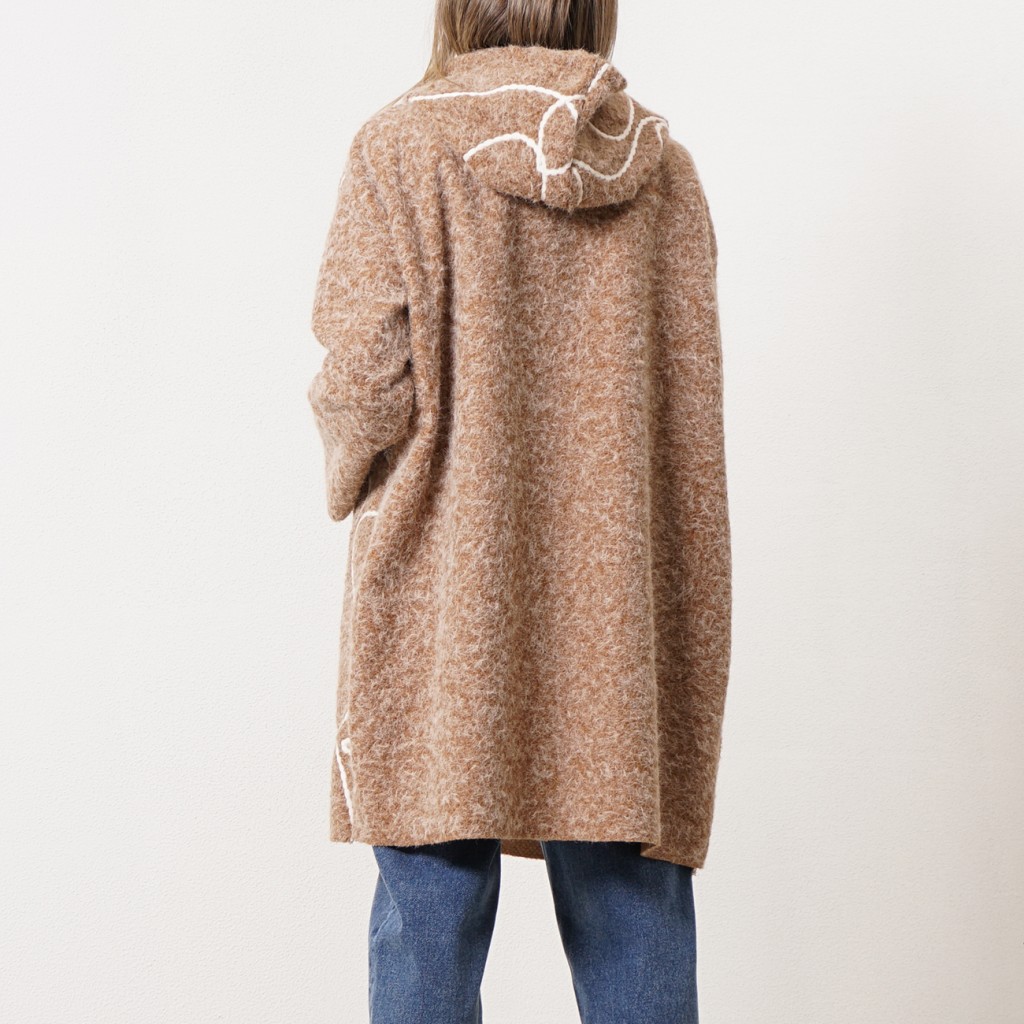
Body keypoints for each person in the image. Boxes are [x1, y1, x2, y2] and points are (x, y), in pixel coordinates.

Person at [307, 1, 732, 1020]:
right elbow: (690, 408)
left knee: (429, 907)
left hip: (446, 602)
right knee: (632, 904)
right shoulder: (662, 172)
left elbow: (366, 384)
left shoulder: (399, 148)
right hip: (619, 619)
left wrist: (346, 469)